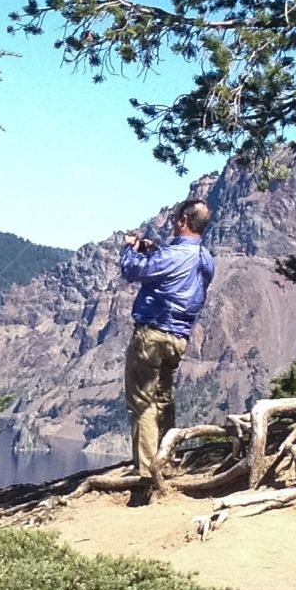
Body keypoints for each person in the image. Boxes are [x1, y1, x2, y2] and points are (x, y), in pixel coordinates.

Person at [120, 199, 215, 493]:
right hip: (179, 338)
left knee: (143, 401)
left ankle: (149, 473)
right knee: (164, 397)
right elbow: (174, 268)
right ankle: (168, 460)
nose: (174, 222)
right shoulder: (206, 259)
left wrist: (130, 249)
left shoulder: (173, 255)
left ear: (183, 221)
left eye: (176, 219)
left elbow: (133, 271)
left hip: (152, 335)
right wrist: (155, 250)